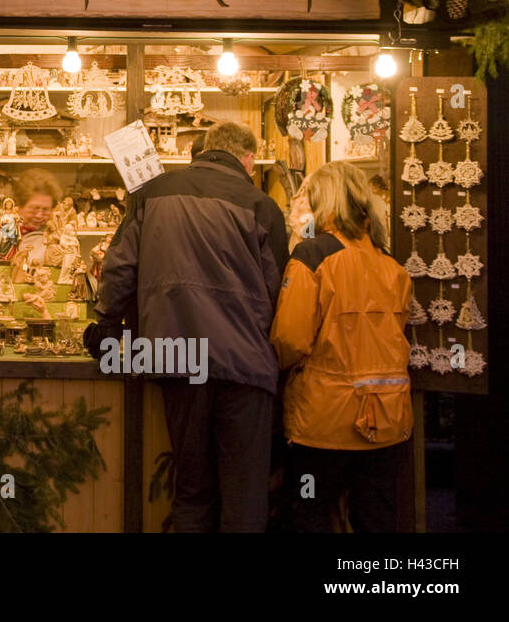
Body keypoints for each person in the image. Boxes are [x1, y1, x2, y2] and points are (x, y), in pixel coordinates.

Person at [87, 121, 289, 532]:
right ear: (247, 158)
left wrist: (107, 323)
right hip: (245, 363)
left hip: (174, 355)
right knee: (244, 494)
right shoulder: (261, 205)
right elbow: (278, 291)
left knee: (192, 487)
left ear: (205, 149)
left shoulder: (152, 193)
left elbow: (120, 266)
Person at [270, 161, 413, 532]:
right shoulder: (392, 265)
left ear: (324, 203)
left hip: (323, 423)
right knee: (376, 519)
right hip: (386, 418)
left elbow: (290, 338)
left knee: (308, 514)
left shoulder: (311, 257)